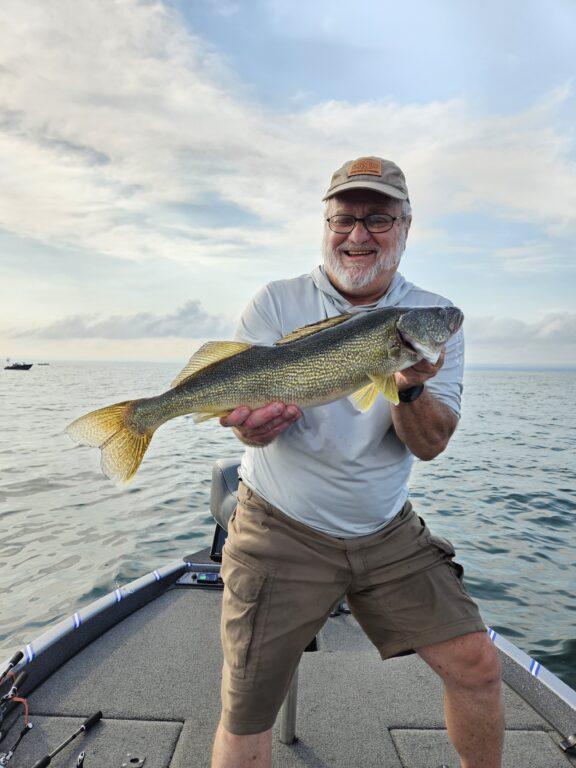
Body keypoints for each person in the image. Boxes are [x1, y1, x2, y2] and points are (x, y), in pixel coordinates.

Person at [211, 157, 504, 768]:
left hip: (386, 528)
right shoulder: (276, 301)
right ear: (325, 225)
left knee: (477, 664)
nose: (358, 234)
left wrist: (410, 388)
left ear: (406, 227)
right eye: (344, 219)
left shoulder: (432, 317)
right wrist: (250, 428)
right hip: (280, 527)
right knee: (246, 709)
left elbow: (429, 445)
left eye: (378, 219)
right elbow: (246, 420)